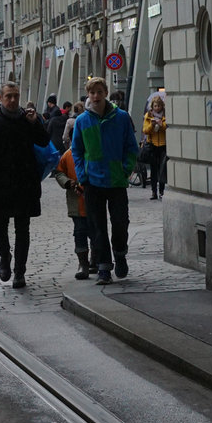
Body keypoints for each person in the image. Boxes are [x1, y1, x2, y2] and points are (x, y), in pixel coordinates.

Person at [0, 81, 50, 289]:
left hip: (25, 184)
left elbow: (45, 142)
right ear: (1, 98)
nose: (12, 100)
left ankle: (20, 271)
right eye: (8, 96)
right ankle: (4, 257)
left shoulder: (27, 120)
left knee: (23, 229)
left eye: (15, 96)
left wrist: (36, 122)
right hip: (0, 186)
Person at [72, 77, 139, 285]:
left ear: (105, 93)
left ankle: (120, 254)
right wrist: (83, 175)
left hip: (116, 180)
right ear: (88, 95)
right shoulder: (82, 120)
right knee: (96, 227)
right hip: (92, 182)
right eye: (92, 93)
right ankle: (103, 268)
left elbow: (131, 147)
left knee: (120, 223)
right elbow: (77, 150)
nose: (96, 96)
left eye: (99, 92)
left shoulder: (121, 118)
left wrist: (125, 169)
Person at [54, 147, 97, 278]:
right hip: (76, 203)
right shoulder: (68, 155)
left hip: (94, 201)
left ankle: (95, 260)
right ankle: (83, 263)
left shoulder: (93, 151)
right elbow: (59, 173)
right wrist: (68, 183)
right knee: (80, 232)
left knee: (95, 231)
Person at [142, 93, 168, 200]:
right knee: (153, 169)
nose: (157, 108)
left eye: (159, 106)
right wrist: (152, 126)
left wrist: (161, 125)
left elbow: (167, 127)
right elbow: (145, 130)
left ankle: (161, 191)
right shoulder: (148, 117)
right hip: (152, 145)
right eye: (155, 106)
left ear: (162, 106)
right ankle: (154, 191)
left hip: (163, 145)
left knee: (162, 169)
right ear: (152, 107)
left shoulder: (165, 116)